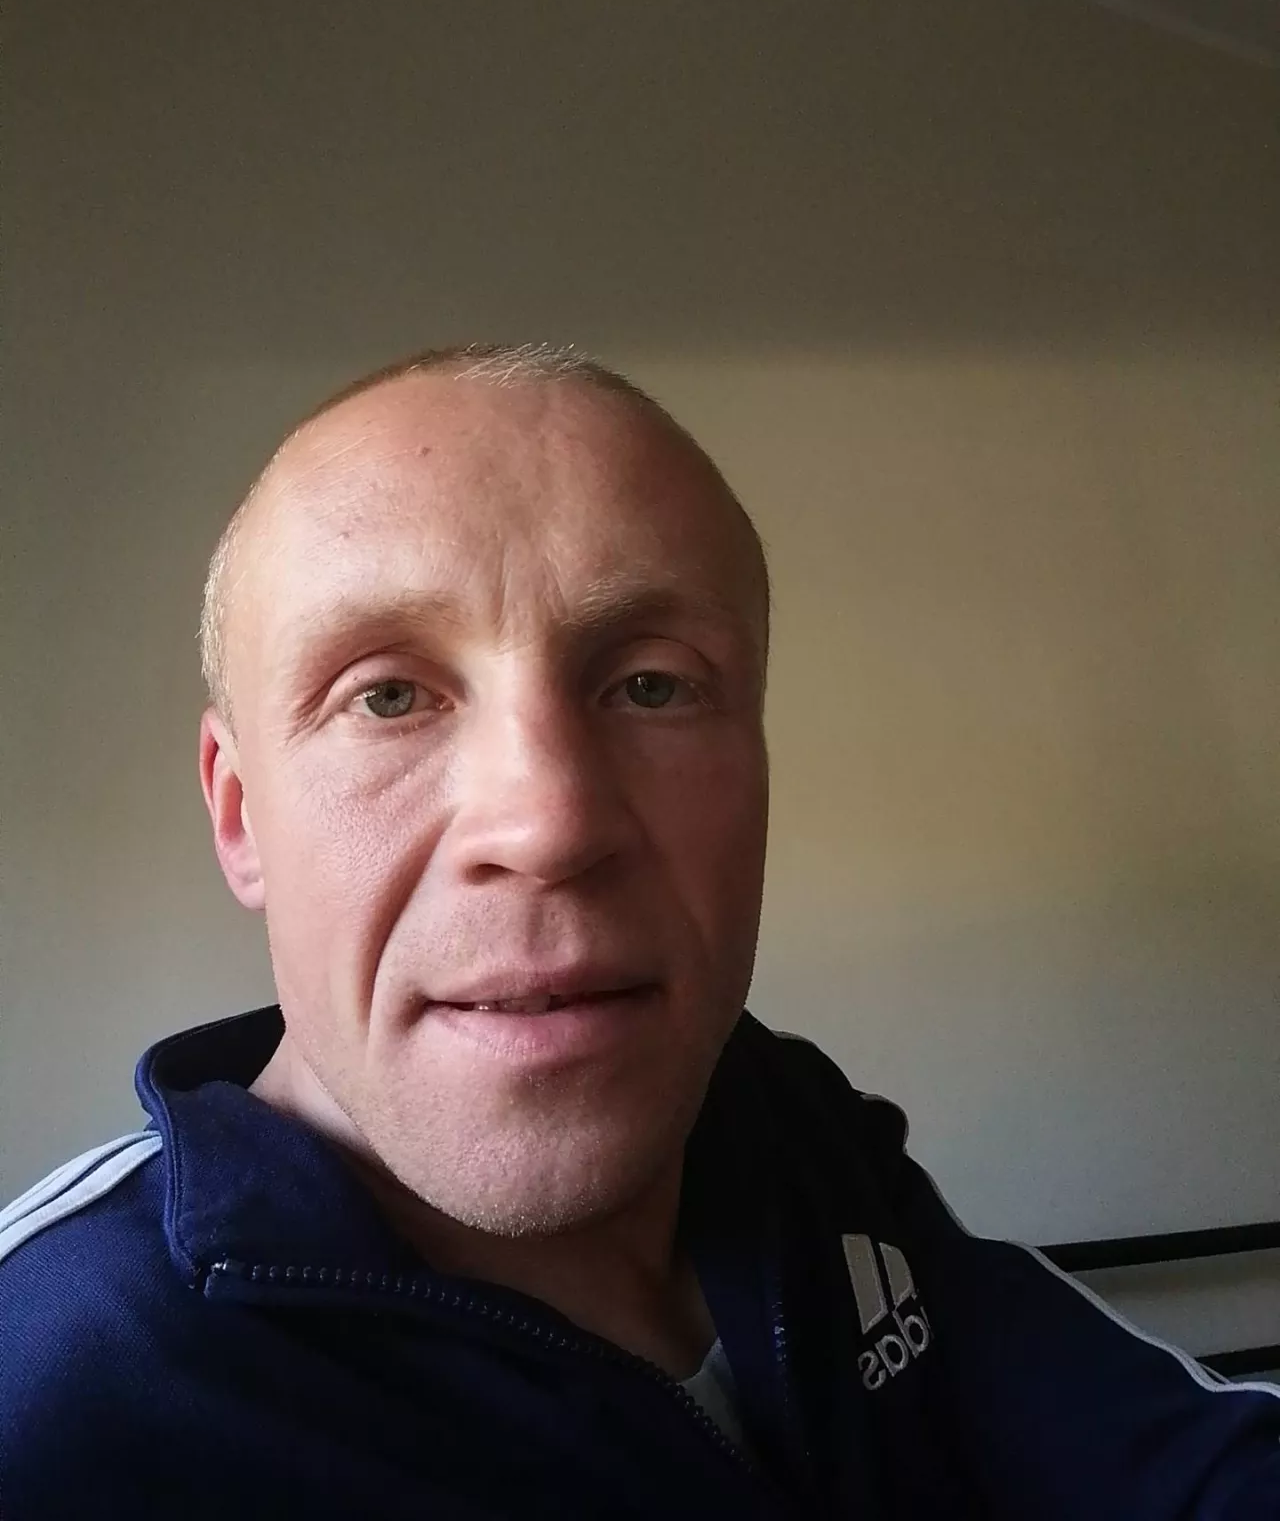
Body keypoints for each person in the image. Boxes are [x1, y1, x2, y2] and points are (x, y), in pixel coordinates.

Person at [1, 343, 1276, 1519]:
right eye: (385, 697)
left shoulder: (787, 1126)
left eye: (652, 684)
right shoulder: (62, 1400)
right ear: (239, 816)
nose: (548, 823)